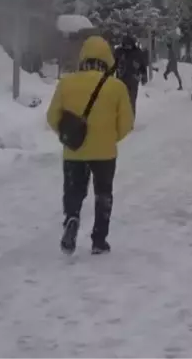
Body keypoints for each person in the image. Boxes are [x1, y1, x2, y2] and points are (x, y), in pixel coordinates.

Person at [46, 35, 134, 255]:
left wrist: (67, 135)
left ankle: (72, 217)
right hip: (105, 152)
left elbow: (51, 116)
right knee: (103, 193)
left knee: (74, 190)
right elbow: (127, 123)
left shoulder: (67, 83)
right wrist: (110, 138)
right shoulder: (116, 87)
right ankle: (99, 240)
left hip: (74, 151)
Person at [114, 35, 148, 119]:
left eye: (129, 44)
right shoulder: (119, 52)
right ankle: (120, 119)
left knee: (131, 101)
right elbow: (112, 64)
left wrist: (144, 76)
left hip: (133, 80)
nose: (127, 46)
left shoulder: (137, 53)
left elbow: (142, 66)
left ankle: (130, 120)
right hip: (120, 80)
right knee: (120, 101)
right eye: (125, 44)